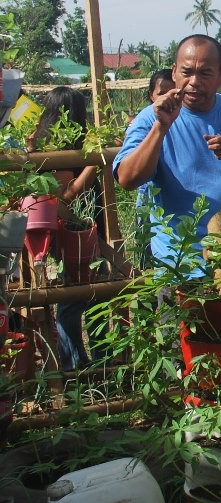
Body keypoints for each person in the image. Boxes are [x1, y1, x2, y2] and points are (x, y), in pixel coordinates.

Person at [113, 35, 221, 268]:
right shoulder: (150, 118)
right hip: (179, 264)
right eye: (187, 72)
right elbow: (127, 179)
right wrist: (161, 128)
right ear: (174, 72)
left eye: (205, 73)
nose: (194, 82)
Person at [28, 87, 104, 371]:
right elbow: (68, 196)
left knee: (92, 294)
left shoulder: (52, 143)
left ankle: (90, 363)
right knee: (78, 298)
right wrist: (94, 162)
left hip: (81, 233)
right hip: (76, 234)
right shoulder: (56, 147)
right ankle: (78, 366)